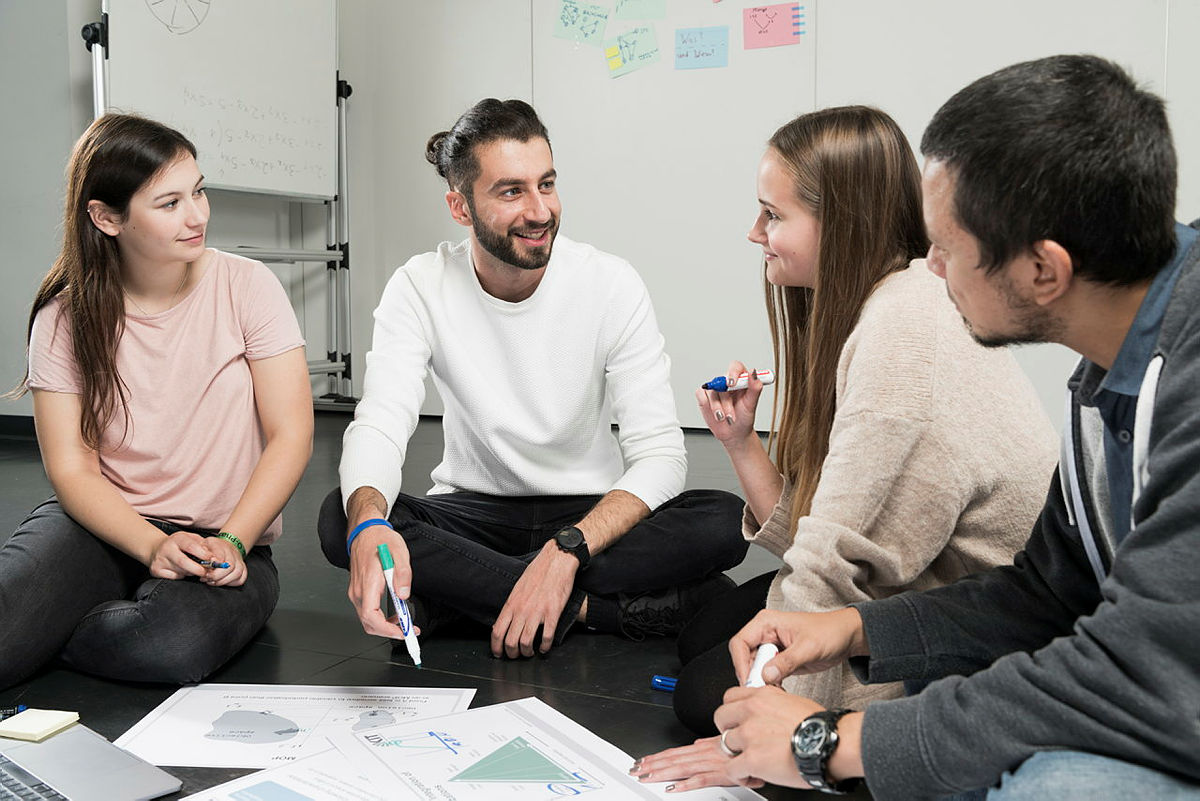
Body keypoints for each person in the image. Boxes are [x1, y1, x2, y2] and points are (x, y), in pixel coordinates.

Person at [689, 55, 1200, 800]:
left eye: (948, 248)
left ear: (1042, 270)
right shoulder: (1109, 371)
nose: (930, 269)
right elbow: (1043, 596)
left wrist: (823, 742)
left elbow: (1138, 671)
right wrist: (856, 632)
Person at [631, 106, 1058, 786]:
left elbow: (837, 568)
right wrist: (740, 443)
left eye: (772, 215)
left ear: (841, 224)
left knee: (703, 688)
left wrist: (783, 742)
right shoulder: (879, 305)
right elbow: (821, 529)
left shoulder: (903, 329)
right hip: (922, 575)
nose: (754, 233)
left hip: (967, 625)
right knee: (703, 635)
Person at [317, 98, 747, 660]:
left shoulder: (611, 283)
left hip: (589, 516)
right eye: (511, 191)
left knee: (725, 522)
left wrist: (566, 552)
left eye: (546, 184)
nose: (540, 210)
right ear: (460, 205)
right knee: (343, 516)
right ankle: (592, 611)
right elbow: (379, 423)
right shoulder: (419, 286)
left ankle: (460, 599)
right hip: (473, 514)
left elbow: (661, 456)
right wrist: (369, 523)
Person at [0, 114, 313, 690]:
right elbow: (71, 467)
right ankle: (63, 614)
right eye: (169, 203)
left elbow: (292, 434)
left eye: (198, 191)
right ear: (106, 218)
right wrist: (149, 544)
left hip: (223, 540)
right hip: (100, 529)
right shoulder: (63, 317)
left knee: (168, 646)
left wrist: (235, 541)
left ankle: (54, 628)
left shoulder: (248, 286)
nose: (197, 216)